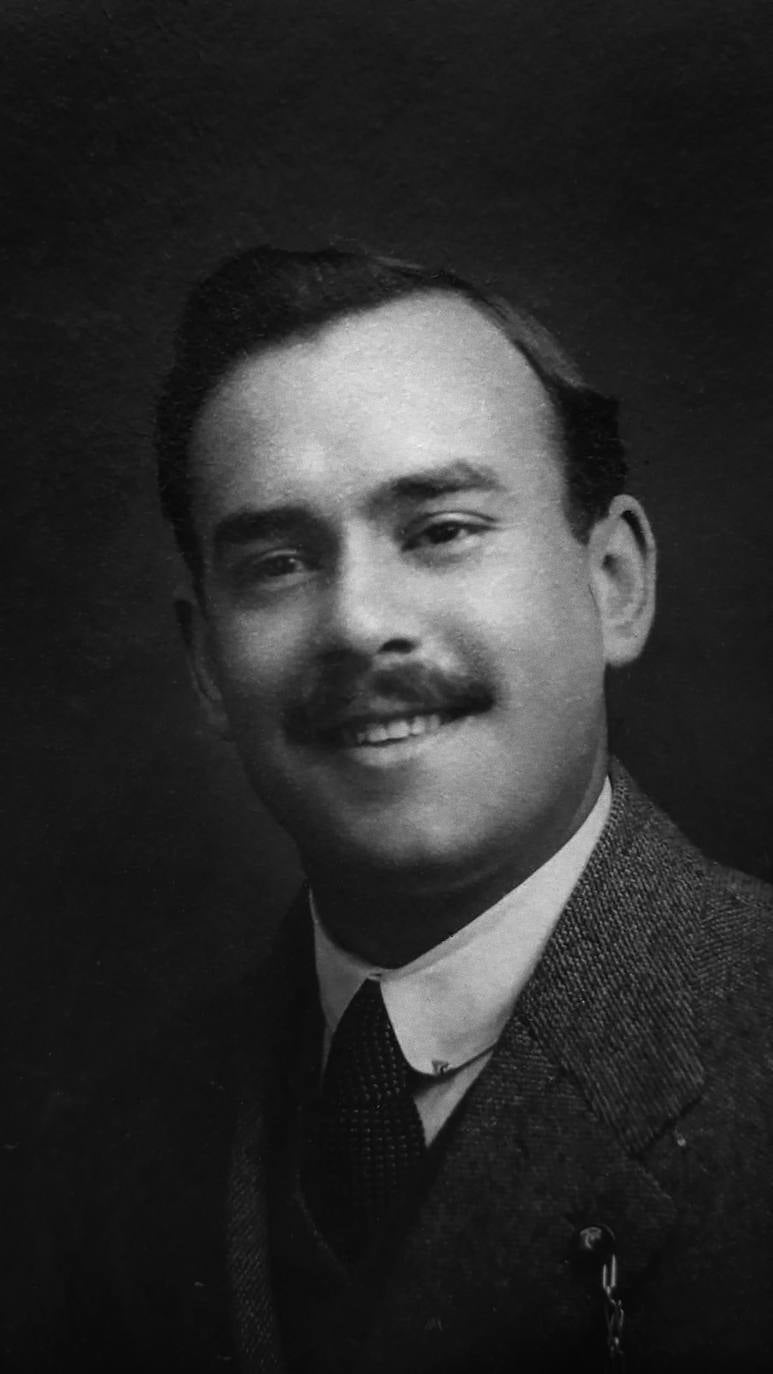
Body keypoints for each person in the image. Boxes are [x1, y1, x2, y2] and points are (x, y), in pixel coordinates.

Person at [14, 246, 773, 1373]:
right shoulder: (112, 1150)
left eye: (441, 530)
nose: (358, 623)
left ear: (612, 581)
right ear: (207, 666)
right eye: (278, 562)